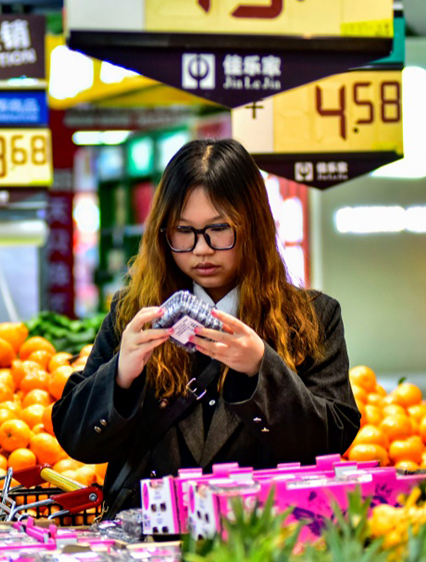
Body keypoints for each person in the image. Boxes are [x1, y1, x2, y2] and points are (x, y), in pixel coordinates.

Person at [51, 139, 360, 517]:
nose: (201, 249)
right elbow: (77, 440)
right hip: (148, 540)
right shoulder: (133, 312)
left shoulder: (312, 317)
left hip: (265, 540)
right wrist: (120, 375)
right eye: (184, 231)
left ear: (255, 228)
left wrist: (262, 368)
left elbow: (333, 439)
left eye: (219, 229)